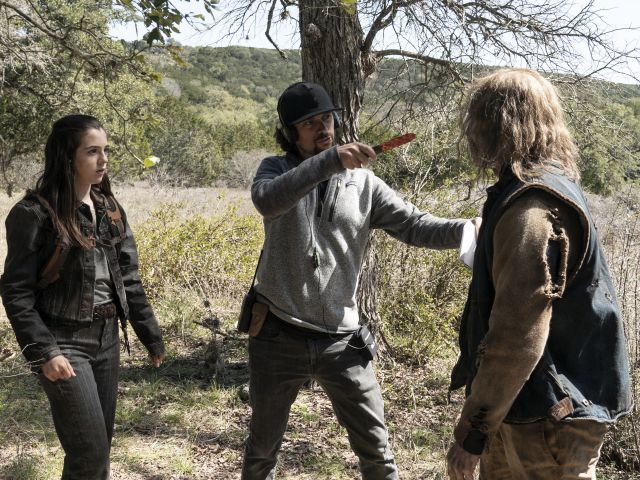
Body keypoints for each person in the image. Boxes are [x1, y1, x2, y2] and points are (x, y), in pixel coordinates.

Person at [242, 81, 470, 480]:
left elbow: (416, 226)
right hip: (278, 333)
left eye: (327, 119)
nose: (323, 128)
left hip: (342, 339)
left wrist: (471, 229)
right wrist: (329, 161)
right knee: (262, 452)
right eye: (310, 123)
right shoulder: (275, 170)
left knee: (377, 454)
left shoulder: (363, 183)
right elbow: (268, 201)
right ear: (290, 133)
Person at [447, 68, 633, 480]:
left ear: (496, 124)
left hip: (546, 418)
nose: (472, 133)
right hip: (543, 409)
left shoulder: (530, 211)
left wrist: (471, 435)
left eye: (477, 120)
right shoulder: (544, 189)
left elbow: (516, 339)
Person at [0, 114, 165, 480]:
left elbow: (129, 279)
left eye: (106, 150)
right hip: (63, 340)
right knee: (90, 454)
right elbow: (15, 291)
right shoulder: (34, 214)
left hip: (107, 339)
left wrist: (150, 335)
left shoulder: (110, 208)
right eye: (92, 151)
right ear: (67, 156)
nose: (103, 160)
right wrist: (45, 351)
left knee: (96, 452)